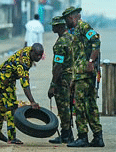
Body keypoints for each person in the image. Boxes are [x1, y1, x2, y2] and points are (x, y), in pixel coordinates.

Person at [62, 6, 104, 148]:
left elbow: (96, 42)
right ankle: (98, 137)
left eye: (66, 20)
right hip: (80, 75)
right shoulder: (76, 31)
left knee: (80, 106)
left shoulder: (83, 26)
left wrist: (91, 62)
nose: (66, 23)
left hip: (84, 74)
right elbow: (78, 55)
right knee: (90, 105)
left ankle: (83, 137)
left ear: (70, 18)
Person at [0, 43, 44, 144]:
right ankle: (11, 138)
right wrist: (32, 101)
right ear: (32, 52)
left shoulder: (29, 51)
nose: (39, 57)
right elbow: (25, 84)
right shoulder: (23, 62)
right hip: (2, 80)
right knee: (11, 108)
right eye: (36, 55)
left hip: (6, 80)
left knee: (1, 106)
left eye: (41, 55)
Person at [48, 16, 75, 144]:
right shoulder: (71, 38)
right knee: (69, 106)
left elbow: (58, 66)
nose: (52, 28)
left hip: (62, 79)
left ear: (59, 27)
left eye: (54, 26)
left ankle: (65, 135)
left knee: (63, 108)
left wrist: (53, 84)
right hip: (72, 78)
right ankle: (69, 134)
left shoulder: (61, 43)